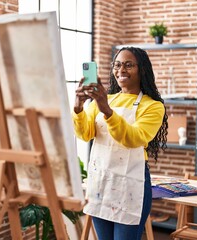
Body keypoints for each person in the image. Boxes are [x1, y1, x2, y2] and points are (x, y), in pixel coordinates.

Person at [72, 46, 168, 240]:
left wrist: (107, 111)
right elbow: (85, 134)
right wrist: (78, 108)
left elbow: (134, 138)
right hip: (101, 182)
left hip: (131, 184)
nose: (121, 70)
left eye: (128, 65)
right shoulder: (104, 100)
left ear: (142, 69)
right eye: (117, 65)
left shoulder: (153, 106)